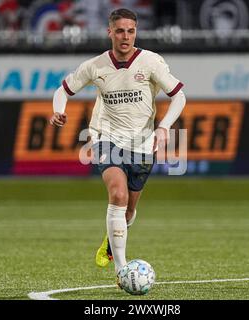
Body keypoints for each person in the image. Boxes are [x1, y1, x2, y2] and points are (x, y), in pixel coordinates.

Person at [50, 8, 185, 283]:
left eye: (131, 31)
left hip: (143, 143)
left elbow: (179, 97)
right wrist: (58, 110)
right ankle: (121, 270)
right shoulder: (96, 66)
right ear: (109, 32)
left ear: (136, 32)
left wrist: (163, 127)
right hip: (105, 137)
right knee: (118, 196)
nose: (126, 36)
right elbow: (63, 89)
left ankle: (110, 243)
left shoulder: (151, 62)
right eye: (120, 30)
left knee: (129, 209)